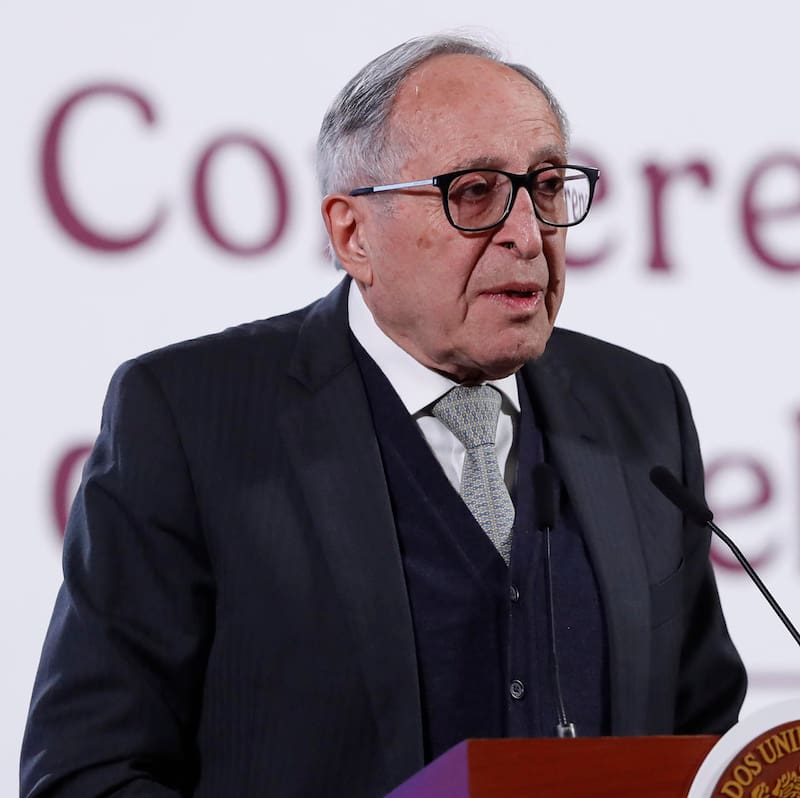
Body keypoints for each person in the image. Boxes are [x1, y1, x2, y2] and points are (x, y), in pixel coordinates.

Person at [21, 33, 746, 797]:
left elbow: (704, 742)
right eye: (473, 193)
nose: (528, 235)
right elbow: (89, 773)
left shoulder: (640, 408)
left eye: (546, 186)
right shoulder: (190, 418)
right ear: (352, 233)